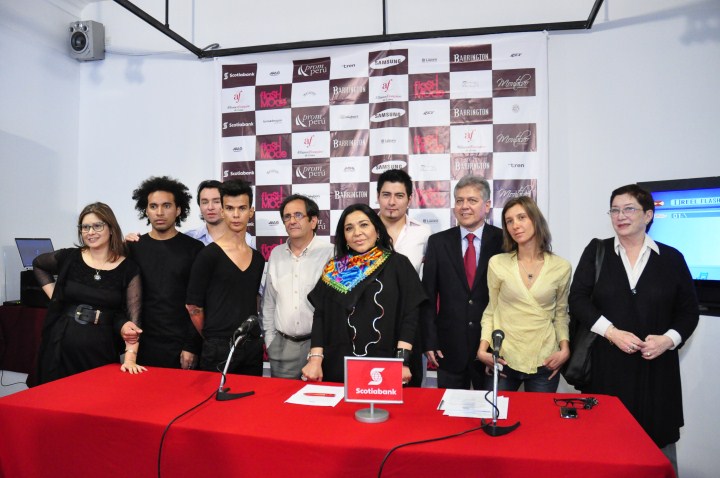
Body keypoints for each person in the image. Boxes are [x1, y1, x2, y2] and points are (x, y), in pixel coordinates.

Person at [568, 184, 699, 473]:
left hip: (656, 372)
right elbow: (577, 299)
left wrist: (668, 340)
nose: (620, 216)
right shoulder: (597, 251)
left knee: (656, 454)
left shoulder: (672, 258)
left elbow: (689, 311)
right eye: (614, 210)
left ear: (648, 215)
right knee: (602, 449)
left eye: (629, 209)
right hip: (606, 369)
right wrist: (611, 332)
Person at [301, 203, 426, 384]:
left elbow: (411, 314)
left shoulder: (398, 264)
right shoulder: (334, 269)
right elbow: (320, 315)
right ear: (344, 237)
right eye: (349, 228)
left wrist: (403, 360)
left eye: (364, 225)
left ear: (377, 230)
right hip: (339, 364)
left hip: (389, 364)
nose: (357, 233)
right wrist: (315, 359)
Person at [32, 202, 146, 385]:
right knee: (54, 397)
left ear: (111, 229)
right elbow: (38, 264)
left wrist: (130, 358)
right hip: (60, 346)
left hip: (101, 349)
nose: (90, 232)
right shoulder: (70, 257)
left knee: (95, 395)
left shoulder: (128, 268)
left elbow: (134, 321)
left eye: (97, 226)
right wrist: (56, 296)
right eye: (85, 227)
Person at [476, 196, 571, 392]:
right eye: (509, 221)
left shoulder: (561, 267)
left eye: (521, 217)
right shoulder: (497, 263)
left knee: (539, 413)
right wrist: (482, 350)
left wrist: (565, 350)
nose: (515, 225)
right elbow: (492, 310)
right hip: (504, 358)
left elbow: (561, 314)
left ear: (535, 219)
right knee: (496, 411)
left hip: (544, 360)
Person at [420, 174, 503, 389]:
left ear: (487, 205)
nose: (464, 206)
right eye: (459, 201)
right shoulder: (438, 242)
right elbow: (428, 296)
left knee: (491, 407)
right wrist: (429, 340)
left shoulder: (504, 242)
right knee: (449, 408)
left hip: (492, 348)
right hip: (448, 349)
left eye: (472, 200)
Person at [186, 179, 265, 375]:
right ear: (222, 211)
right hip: (217, 347)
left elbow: (254, 299)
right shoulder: (208, 255)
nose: (236, 215)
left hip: (251, 345)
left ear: (251, 212)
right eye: (230, 208)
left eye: (242, 208)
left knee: (252, 395)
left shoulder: (258, 258)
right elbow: (193, 307)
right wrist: (213, 338)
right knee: (216, 396)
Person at [127, 176, 204, 369]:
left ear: (178, 210)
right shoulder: (134, 247)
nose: (159, 212)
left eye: (167, 206)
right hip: (141, 344)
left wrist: (191, 345)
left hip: (181, 346)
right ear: (146, 210)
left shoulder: (194, 249)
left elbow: (199, 301)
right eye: (153, 206)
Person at [260, 194, 333, 379]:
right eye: (287, 216)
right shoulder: (276, 254)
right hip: (283, 349)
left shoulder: (331, 253)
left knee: (320, 398)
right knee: (282, 398)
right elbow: (269, 302)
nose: (292, 221)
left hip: (321, 348)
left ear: (313, 221)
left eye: (298, 215)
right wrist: (270, 341)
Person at [376, 169, 432, 386]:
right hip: (371, 321)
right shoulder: (363, 231)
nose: (392, 202)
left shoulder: (423, 232)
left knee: (410, 387)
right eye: (386, 195)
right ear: (378, 196)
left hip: (409, 322)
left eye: (399, 196)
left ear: (409, 199)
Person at [185, 179, 256, 249]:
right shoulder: (189, 238)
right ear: (199, 206)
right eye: (205, 202)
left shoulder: (247, 239)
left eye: (216, 201)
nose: (210, 207)